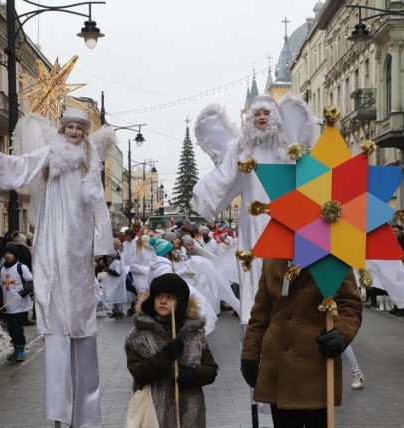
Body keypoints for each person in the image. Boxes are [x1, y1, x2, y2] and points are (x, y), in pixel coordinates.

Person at [0, 106, 116, 427]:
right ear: (63, 128)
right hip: (54, 231)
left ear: (84, 132)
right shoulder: (51, 152)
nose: (74, 132)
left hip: (78, 238)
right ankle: (60, 412)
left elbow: (96, 202)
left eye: (80, 129)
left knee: (80, 321)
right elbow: (24, 165)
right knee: (55, 310)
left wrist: (101, 243)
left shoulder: (90, 161)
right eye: (70, 127)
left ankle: (84, 413)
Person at [192, 94, 316, 329]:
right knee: (252, 259)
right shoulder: (242, 145)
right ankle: (252, 314)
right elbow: (225, 175)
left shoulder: (286, 146)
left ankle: (287, 309)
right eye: (257, 113)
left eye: (266, 113)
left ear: (275, 117)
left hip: (283, 215)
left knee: (285, 261)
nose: (261, 118)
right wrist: (205, 196)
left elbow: (303, 175)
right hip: (253, 217)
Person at [241, 259, 362, 427]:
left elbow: (349, 305)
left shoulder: (330, 260)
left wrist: (341, 333)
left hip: (315, 367)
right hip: (278, 369)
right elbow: (260, 312)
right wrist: (250, 353)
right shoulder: (272, 259)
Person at [125, 273, 218, 427]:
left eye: (170, 297)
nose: (163, 301)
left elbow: (211, 369)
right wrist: (165, 355)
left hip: (190, 416)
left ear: (179, 302)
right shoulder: (139, 335)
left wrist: (193, 375)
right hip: (154, 415)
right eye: (159, 296)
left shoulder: (194, 333)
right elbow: (138, 373)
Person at [0, 244, 34, 362]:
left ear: (14, 255)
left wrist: (26, 290)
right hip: (7, 304)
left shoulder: (21, 267)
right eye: (6, 254)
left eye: (10, 253)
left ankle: (21, 350)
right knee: (11, 328)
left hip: (19, 304)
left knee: (18, 328)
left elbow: (31, 281)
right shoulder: (2, 269)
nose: (8, 256)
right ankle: (15, 348)